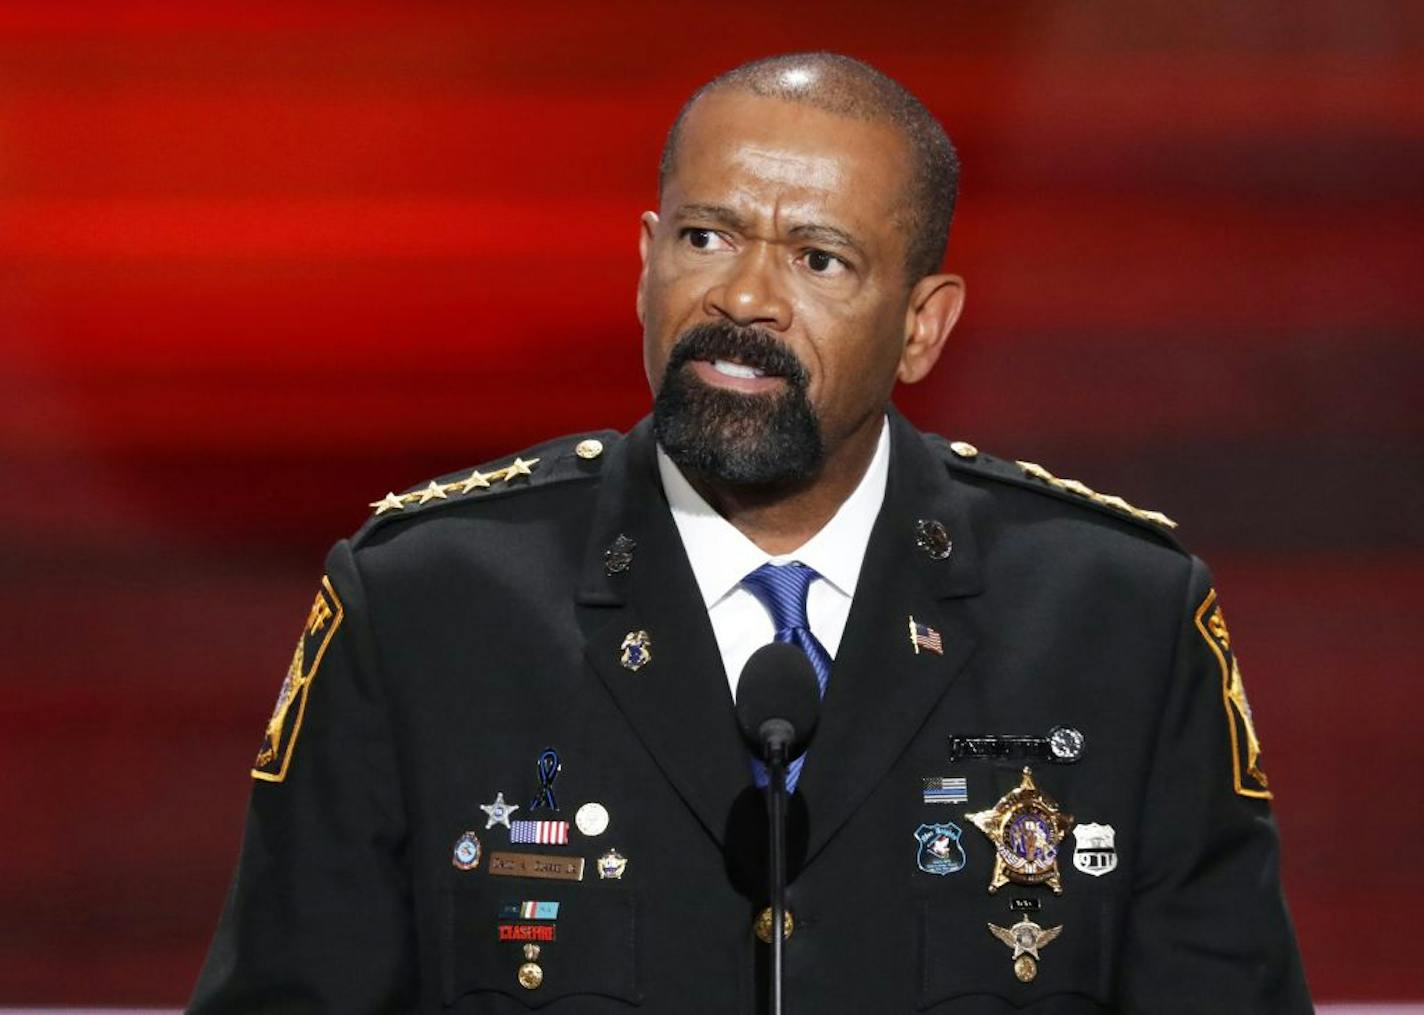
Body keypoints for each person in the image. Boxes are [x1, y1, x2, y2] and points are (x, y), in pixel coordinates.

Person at [190, 52, 1311, 1013]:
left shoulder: (1117, 622)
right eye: (705, 236)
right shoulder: (424, 606)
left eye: (817, 258)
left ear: (922, 324)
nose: (743, 298)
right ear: (643, 264)